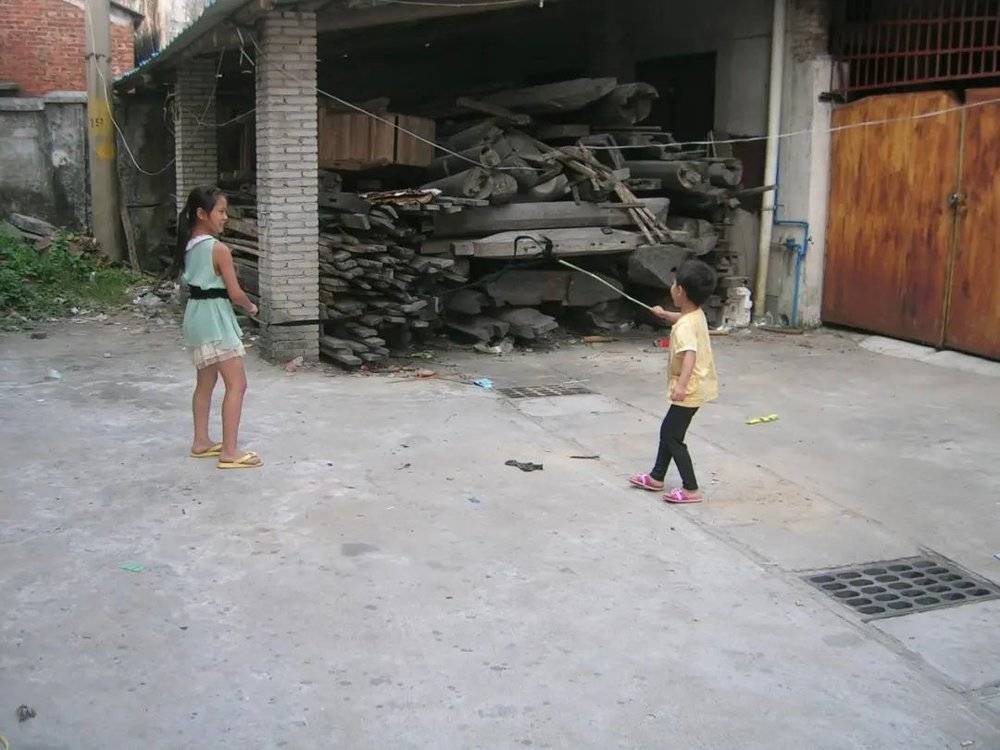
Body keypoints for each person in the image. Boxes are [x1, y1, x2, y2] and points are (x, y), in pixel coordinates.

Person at [176, 186, 262, 469]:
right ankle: (229, 451)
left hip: (196, 317)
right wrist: (251, 307)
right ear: (202, 214)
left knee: (205, 383)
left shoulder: (188, 244)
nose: (226, 217)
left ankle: (201, 442)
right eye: (221, 211)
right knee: (237, 385)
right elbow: (235, 294)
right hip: (215, 320)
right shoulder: (218, 249)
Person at [629, 260, 718, 503]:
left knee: (672, 436)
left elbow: (690, 354)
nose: (672, 287)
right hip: (698, 385)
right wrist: (666, 314)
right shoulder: (695, 315)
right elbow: (684, 319)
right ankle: (656, 477)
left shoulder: (685, 327)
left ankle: (691, 489)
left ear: (680, 291)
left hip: (689, 389)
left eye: (674, 283)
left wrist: (681, 386)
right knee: (669, 432)